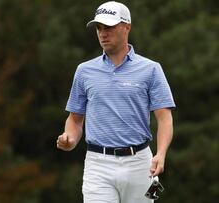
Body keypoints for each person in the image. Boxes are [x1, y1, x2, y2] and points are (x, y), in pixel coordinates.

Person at [56, 1, 175, 203]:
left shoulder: (151, 69)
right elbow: (75, 120)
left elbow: (164, 119)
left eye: (109, 27)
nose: (103, 33)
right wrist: (70, 139)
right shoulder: (84, 71)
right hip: (97, 165)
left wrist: (161, 153)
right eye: (99, 28)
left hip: (141, 164)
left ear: (126, 27)